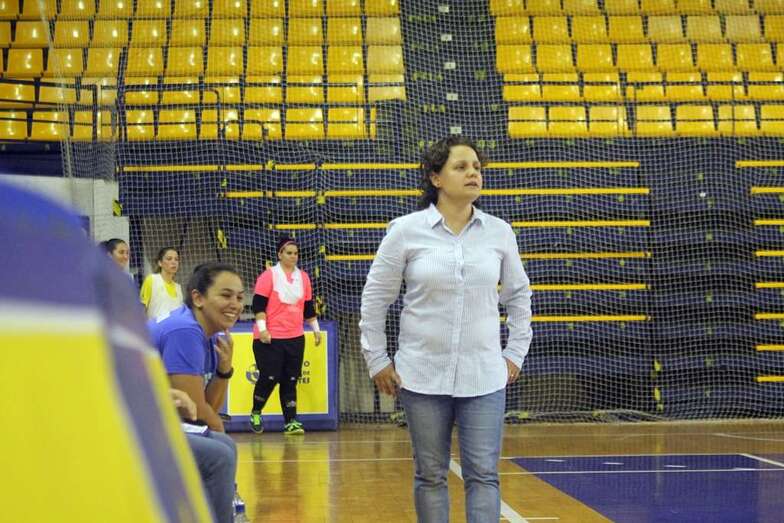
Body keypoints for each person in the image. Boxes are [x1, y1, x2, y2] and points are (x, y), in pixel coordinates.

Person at [359, 136, 533, 523]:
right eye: (461, 166)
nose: (473, 173)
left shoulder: (499, 232)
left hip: (484, 377)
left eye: (477, 167)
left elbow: (519, 297)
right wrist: (377, 359)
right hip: (421, 376)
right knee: (430, 475)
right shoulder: (404, 231)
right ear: (435, 177)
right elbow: (375, 299)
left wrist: (514, 352)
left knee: (485, 475)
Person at [148, 262, 244, 523]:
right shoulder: (185, 331)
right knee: (219, 455)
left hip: (153, 418)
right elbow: (194, 413)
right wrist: (214, 428)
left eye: (239, 297)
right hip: (128, 423)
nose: (235, 304)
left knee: (221, 446)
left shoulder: (207, 332)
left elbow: (202, 408)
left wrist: (224, 370)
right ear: (198, 298)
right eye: (225, 295)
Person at [249, 236, 322, 435]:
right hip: (269, 338)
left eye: (296, 253)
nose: (293, 256)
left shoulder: (304, 278)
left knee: (290, 379)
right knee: (270, 377)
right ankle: (256, 412)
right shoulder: (268, 276)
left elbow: (308, 307)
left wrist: (315, 330)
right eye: (288, 253)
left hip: (295, 337)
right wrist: (263, 329)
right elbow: (258, 305)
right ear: (279, 254)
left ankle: (291, 421)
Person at [140, 246, 184, 321]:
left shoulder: (178, 288)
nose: (174, 262)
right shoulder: (151, 280)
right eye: (169, 259)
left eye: (176, 259)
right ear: (160, 263)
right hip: (154, 330)